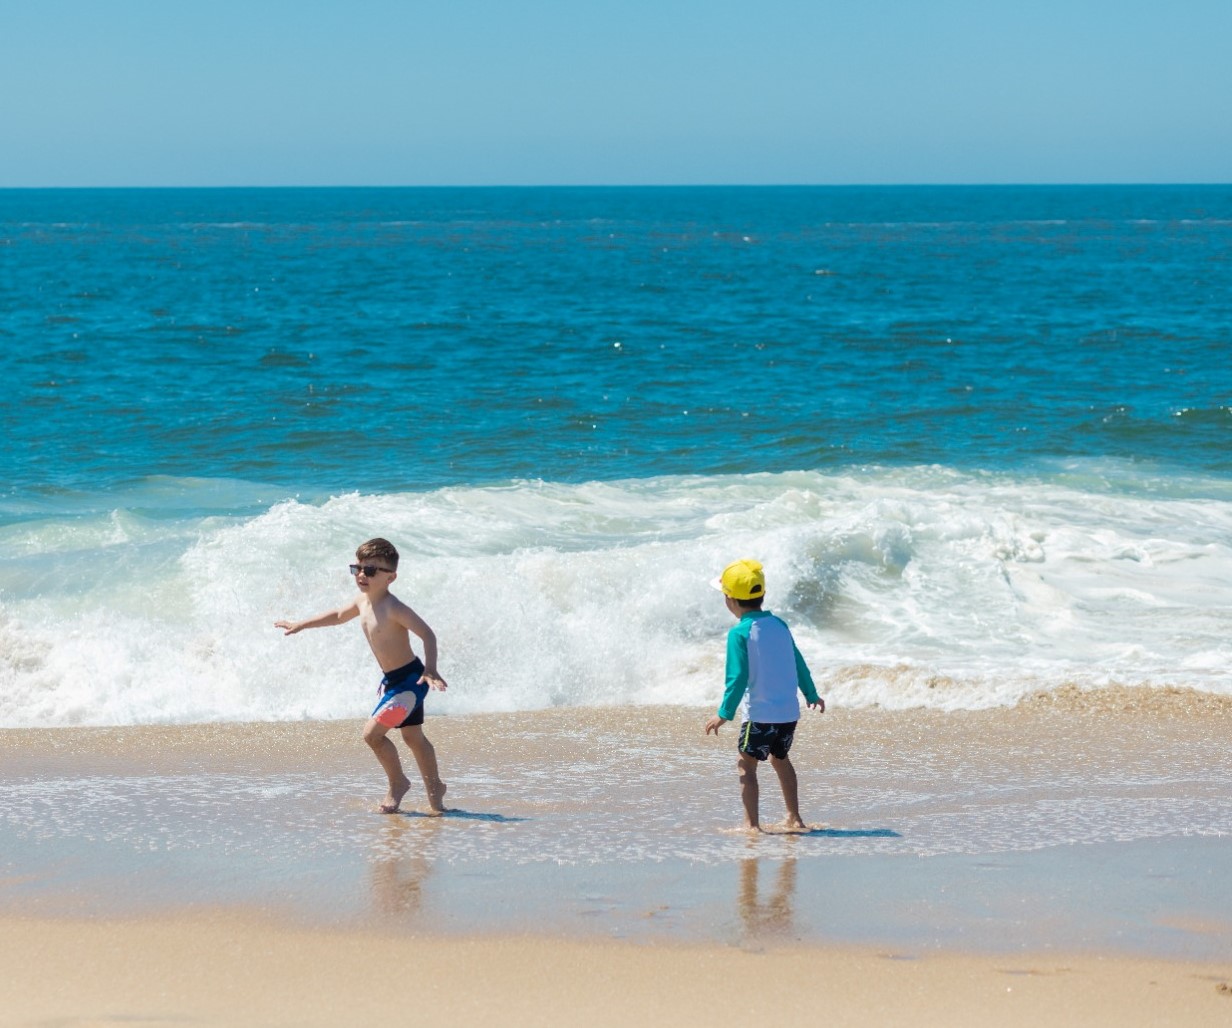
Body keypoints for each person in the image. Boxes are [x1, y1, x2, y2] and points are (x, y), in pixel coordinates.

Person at [275, 538, 449, 815]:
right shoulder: (362, 601)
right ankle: (435, 789)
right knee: (413, 737)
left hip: (411, 681)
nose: (361, 575)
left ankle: (398, 783)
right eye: (357, 568)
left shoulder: (394, 607)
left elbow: (427, 633)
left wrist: (431, 668)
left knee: (372, 735)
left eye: (370, 571)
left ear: (391, 577)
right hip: (392, 681)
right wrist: (301, 624)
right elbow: (337, 615)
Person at [704, 558, 824, 832]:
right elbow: (798, 661)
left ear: (729, 600)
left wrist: (724, 714)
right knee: (780, 760)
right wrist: (811, 693)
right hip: (788, 714)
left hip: (760, 715)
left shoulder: (739, 633)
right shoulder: (779, 625)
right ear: (762, 595)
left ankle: (752, 825)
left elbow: (737, 679)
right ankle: (794, 817)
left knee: (745, 764)